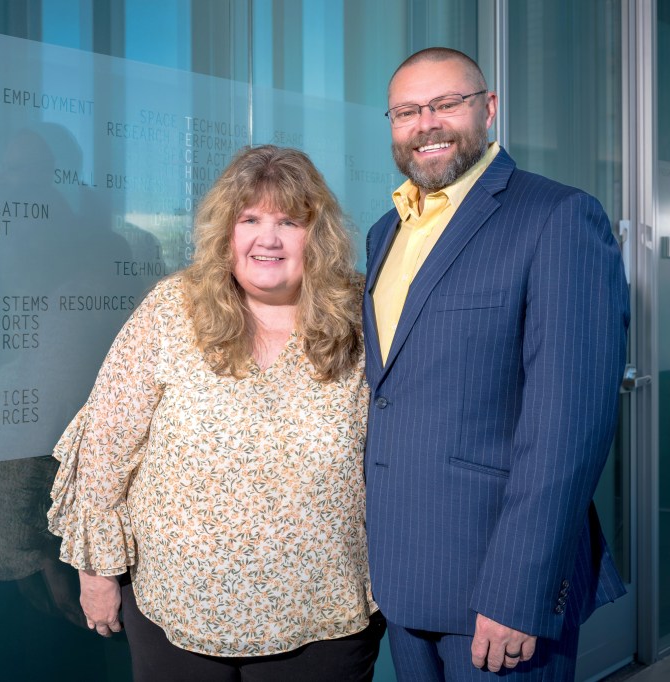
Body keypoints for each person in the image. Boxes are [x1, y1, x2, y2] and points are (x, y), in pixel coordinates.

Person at [48, 145, 384, 681]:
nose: (266, 238)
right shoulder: (171, 309)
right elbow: (106, 446)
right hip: (176, 606)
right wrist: (97, 573)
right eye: (248, 219)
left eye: (289, 221)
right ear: (225, 231)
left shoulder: (364, 317)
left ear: (316, 235)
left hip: (323, 611)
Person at [363, 47, 629, 680]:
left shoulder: (557, 216)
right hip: (402, 577)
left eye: (445, 103)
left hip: (497, 586)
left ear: (488, 109)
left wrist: (519, 591)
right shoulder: (384, 233)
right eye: (406, 111)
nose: (425, 123)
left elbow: (568, 429)